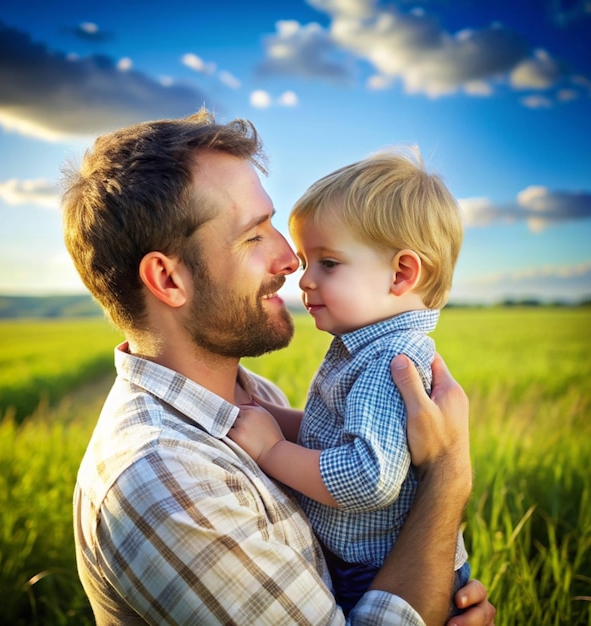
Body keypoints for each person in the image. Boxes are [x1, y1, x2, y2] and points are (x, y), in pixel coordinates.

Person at [62, 109, 495, 625]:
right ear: (169, 280)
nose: (291, 261)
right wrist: (448, 476)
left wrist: (431, 583)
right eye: (253, 235)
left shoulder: (252, 395)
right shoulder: (163, 479)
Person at [228, 148, 470, 617]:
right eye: (305, 260)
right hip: (375, 561)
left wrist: (271, 451)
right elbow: (336, 435)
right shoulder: (363, 345)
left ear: (402, 273)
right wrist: (270, 414)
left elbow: (367, 478)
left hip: (377, 570)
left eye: (329, 263)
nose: (304, 279)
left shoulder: (386, 361)